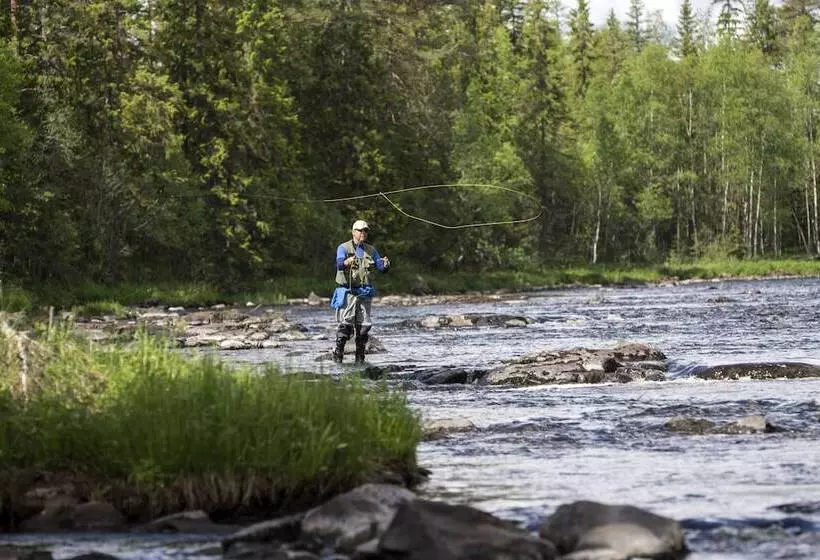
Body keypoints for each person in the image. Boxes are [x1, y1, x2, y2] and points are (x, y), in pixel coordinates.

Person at [332, 219, 390, 363]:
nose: (363, 233)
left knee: (364, 328)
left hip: (365, 293)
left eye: (365, 230)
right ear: (353, 232)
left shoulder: (371, 250)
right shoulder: (343, 248)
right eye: (360, 230)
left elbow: (380, 267)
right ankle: (338, 354)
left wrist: (385, 264)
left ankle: (360, 358)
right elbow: (339, 264)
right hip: (348, 293)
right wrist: (346, 262)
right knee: (345, 327)